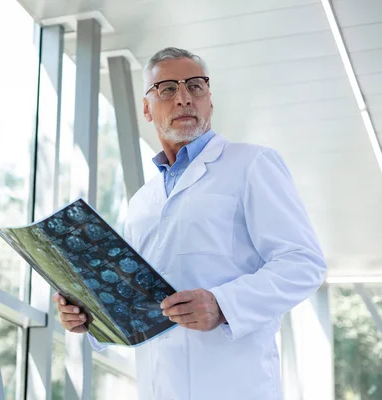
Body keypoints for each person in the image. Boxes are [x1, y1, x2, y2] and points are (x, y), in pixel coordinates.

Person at [53, 47, 327, 399]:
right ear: (147, 109)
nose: (183, 98)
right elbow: (132, 298)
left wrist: (224, 304)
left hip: (235, 386)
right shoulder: (141, 203)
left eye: (195, 86)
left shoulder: (251, 164)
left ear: (209, 101)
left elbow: (304, 263)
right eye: (167, 89)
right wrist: (89, 317)